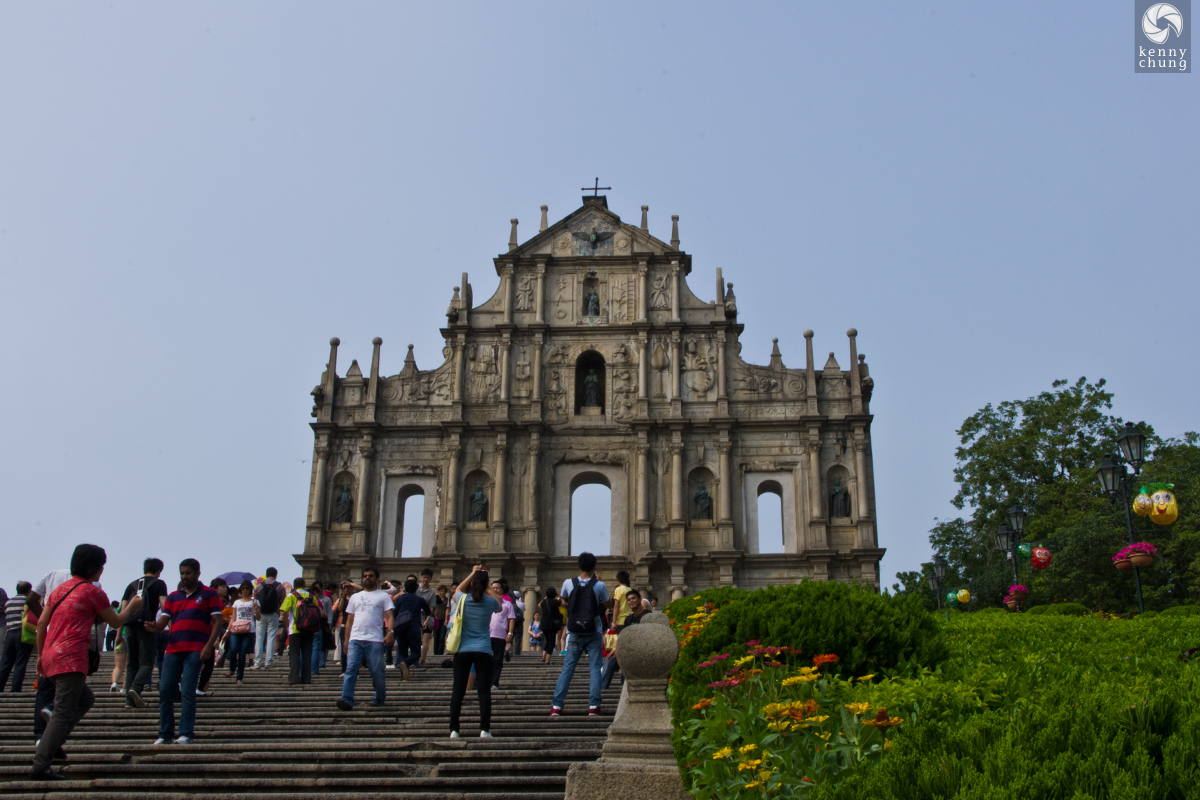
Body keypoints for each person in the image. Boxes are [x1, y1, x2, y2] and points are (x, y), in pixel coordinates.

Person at [31, 544, 143, 780]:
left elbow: (42, 623)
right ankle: (41, 765)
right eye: (102, 567)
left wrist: (41, 655)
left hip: (52, 653)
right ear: (95, 568)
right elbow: (115, 621)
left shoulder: (59, 589)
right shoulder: (93, 592)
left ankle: (55, 741)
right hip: (71, 657)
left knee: (85, 698)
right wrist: (132, 606)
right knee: (63, 712)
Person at [146, 559, 223, 745]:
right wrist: (153, 626)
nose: (184, 577)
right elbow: (163, 623)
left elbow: (217, 622)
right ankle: (165, 734)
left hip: (195, 649)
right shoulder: (173, 597)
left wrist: (208, 646)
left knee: (188, 691)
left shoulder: (209, 594)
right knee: (165, 691)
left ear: (197, 573)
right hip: (173, 648)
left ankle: (186, 733)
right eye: (182, 573)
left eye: (188, 573)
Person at [550, 551, 610, 718]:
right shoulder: (599, 585)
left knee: (568, 669)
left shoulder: (569, 583)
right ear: (594, 567)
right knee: (595, 669)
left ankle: (556, 705)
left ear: (578, 566)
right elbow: (608, 603)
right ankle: (594, 706)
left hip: (574, 632)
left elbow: (563, 600)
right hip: (594, 631)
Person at [448, 566, 501, 739]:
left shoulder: (463, 599)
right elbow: (500, 606)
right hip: (484, 650)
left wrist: (472, 573)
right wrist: (488, 587)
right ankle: (485, 729)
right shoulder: (490, 602)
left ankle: (454, 730)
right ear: (486, 585)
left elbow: (457, 589)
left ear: (472, 583)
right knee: (484, 692)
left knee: (458, 691)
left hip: (463, 650)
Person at [27, 567, 73, 744]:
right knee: (71, 687)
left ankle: (40, 734)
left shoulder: (51, 575)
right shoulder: (91, 582)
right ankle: (54, 730)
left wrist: (47, 618)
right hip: (71, 639)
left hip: (49, 636)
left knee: (45, 686)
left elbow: (31, 598)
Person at [337, 568, 394, 710]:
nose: (367, 578)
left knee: (377, 671)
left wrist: (390, 632)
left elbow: (390, 616)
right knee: (351, 669)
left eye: (371, 576)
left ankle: (380, 697)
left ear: (377, 579)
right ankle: (347, 699)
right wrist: (346, 640)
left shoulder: (383, 596)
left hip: (374, 639)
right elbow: (349, 621)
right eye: (365, 576)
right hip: (355, 638)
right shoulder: (355, 597)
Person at [121, 558, 169, 708]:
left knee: (132, 664)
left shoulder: (132, 585)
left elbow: (123, 610)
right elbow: (164, 606)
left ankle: (129, 701)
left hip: (129, 625)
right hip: (147, 625)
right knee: (148, 661)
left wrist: (118, 634)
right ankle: (135, 687)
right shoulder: (159, 584)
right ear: (159, 571)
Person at [600, 589, 650, 689]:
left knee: (625, 663)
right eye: (628, 600)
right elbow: (624, 637)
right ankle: (601, 690)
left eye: (633, 598)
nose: (631, 601)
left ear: (640, 599)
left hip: (642, 652)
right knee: (610, 660)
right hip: (627, 651)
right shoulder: (628, 619)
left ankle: (625, 690)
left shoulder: (648, 616)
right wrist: (616, 649)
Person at [196, 577, 229, 696]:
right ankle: (200, 689)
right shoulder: (215, 599)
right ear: (215, 587)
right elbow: (215, 621)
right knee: (208, 663)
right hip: (207, 633)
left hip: (199, 632)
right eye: (223, 586)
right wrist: (215, 638)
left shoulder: (204, 595)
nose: (225, 588)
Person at [393, 578, 430, 680]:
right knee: (416, 653)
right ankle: (406, 663)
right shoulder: (419, 599)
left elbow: (394, 613)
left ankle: (403, 675)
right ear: (416, 588)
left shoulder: (400, 599)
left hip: (401, 628)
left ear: (405, 588)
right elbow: (428, 611)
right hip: (414, 628)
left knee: (402, 652)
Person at [0, 581, 34, 692]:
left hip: (9, 634)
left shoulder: (9, 602)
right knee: (20, 662)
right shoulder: (28, 601)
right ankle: (15, 689)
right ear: (29, 590)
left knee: (5, 663)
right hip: (22, 633)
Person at [280, 579, 314, 685]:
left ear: (294, 586)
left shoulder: (291, 596)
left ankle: (294, 677)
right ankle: (306, 678)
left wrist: (287, 626)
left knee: (294, 654)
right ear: (304, 585)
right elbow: (318, 610)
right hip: (309, 628)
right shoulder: (312, 596)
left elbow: (285, 612)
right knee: (307, 655)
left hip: (295, 629)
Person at [226, 581, 259, 685]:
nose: (245, 590)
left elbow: (258, 617)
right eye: (243, 588)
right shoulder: (237, 602)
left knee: (242, 653)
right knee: (233, 649)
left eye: (247, 588)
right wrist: (227, 631)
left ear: (250, 590)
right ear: (240, 590)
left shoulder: (254, 602)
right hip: (236, 628)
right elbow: (233, 618)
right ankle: (232, 668)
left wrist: (257, 609)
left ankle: (239, 677)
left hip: (249, 629)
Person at [252, 567, 285, 669]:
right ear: (276, 575)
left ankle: (257, 662)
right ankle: (268, 662)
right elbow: (283, 601)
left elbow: (255, 600)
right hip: (273, 614)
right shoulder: (280, 586)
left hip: (261, 614)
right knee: (271, 637)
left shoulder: (259, 586)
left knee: (259, 638)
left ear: (266, 575)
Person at [488, 580, 515, 688]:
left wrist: (510, 633)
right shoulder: (486, 602)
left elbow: (511, 619)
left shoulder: (507, 604)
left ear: (502, 590)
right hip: (486, 634)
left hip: (500, 635)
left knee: (497, 660)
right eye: (493, 587)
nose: (495, 589)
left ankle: (494, 682)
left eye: (497, 588)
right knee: (485, 659)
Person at [416, 569, 437, 665]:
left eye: (427, 577)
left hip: (426, 617)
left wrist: (426, 620)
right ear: (421, 578)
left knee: (425, 640)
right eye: (424, 577)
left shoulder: (432, 593)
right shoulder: (416, 589)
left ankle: (422, 659)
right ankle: (415, 658)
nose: (425, 579)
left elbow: (431, 608)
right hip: (415, 617)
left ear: (431, 579)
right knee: (416, 639)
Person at [536, 588, 561, 665]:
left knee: (547, 641)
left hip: (544, 625)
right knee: (552, 643)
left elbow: (539, 605)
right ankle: (547, 660)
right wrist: (558, 595)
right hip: (551, 625)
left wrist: (545, 597)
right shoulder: (555, 602)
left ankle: (543, 658)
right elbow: (562, 602)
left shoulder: (544, 602)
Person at [108, 610, 127, 693]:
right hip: (132, 634)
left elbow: (115, 617)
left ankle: (114, 683)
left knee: (118, 666)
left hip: (121, 635)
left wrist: (118, 635)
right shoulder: (138, 605)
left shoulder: (122, 607)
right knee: (129, 666)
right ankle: (124, 688)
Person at [431, 585, 449, 656]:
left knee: (442, 637)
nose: (442, 593)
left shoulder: (447, 600)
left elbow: (447, 609)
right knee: (436, 637)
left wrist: (446, 619)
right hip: (436, 620)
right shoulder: (435, 599)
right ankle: (435, 652)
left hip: (443, 620)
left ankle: (440, 652)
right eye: (440, 591)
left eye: (443, 591)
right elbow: (432, 609)